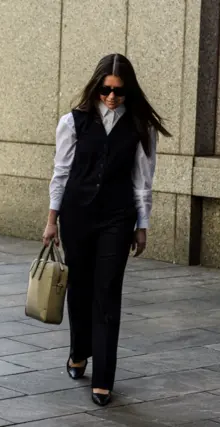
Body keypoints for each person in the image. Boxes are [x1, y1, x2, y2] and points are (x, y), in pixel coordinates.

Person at [43, 53, 171, 407]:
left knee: (108, 291)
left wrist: (142, 225)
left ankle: (104, 378)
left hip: (117, 217)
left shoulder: (139, 126)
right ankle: (78, 350)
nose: (111, 97)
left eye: (119, 91)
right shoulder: (73, 121)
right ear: (95, 86)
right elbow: (61, 173)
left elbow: (143, 180)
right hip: (77, 215)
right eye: (105, 90)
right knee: (80, 288)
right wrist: (51, 220)